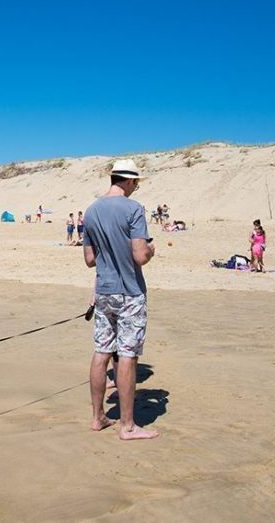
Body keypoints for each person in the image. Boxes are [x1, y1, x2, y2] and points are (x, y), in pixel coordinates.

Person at [82, 158, 157, 440]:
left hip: (103, 291)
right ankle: (127, 425)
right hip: (129, 292)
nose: (136, 186)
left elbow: (90, 259)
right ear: (127, 181)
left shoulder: (91, 211)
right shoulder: (133, 209)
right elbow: (140, 255)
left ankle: (98, 417)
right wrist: (150, 249)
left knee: (101, 351)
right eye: (136, 181)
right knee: (127, 355)